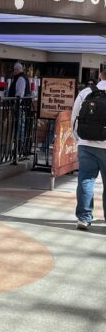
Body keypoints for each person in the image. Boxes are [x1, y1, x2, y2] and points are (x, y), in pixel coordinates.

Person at [71, 62, 106, 230]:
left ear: (100, 75)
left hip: (86, 144)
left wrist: (79, 139)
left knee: (85, 180)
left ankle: (84, 218)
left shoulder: (85, 92)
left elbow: (74, 119)